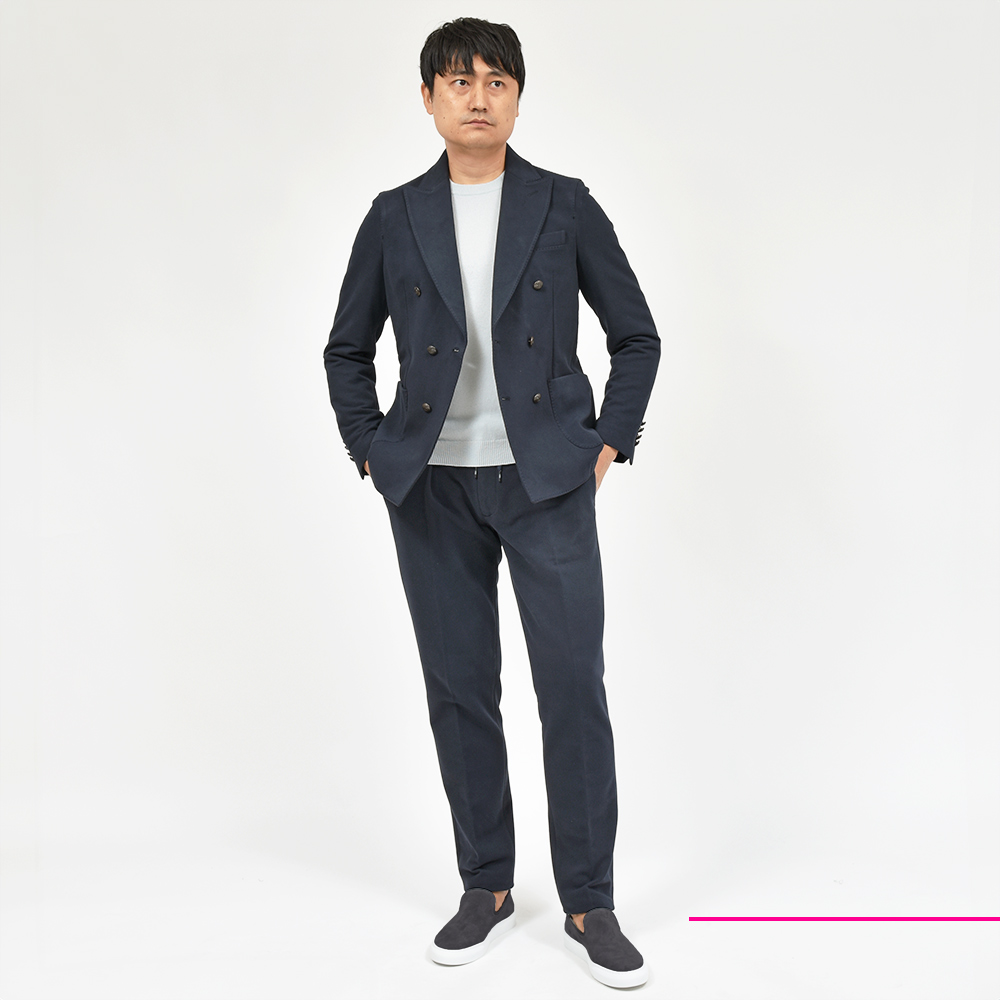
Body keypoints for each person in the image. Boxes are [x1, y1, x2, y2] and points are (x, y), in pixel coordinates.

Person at [323, 17, 659, 990]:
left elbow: (636, 336)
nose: (478, 97)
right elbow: (346, 349)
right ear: (428, 97)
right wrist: (371, 451)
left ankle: (589, 900)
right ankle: (488, 886)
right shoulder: (394, 216)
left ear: (517, 96)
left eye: (497, 80)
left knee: (572, 687)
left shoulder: (563, 205)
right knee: (460, 690)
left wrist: (607, 444)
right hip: (430, 487)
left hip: (548, 482)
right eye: (459, 80)